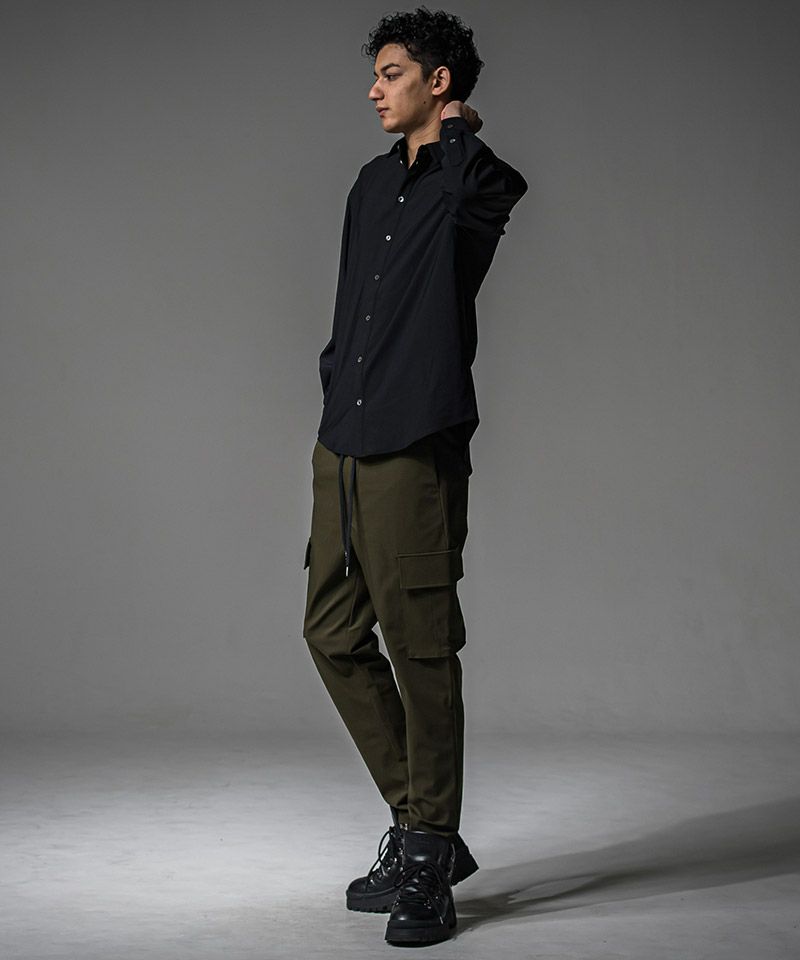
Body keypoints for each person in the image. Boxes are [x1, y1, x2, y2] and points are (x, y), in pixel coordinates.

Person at [302, 6, 528, 946]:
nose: (373, 89)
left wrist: (460, 130)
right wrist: (332, 397)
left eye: (391, 73)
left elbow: (493, 193)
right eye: (377, 74)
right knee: (330, 632)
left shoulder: (473, 181)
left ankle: (428, 854)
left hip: (413, 446)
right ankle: (421, 822)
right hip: (344, 439)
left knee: (422, 650)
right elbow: (351, 303)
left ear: (438, 82)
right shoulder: (369, 184)